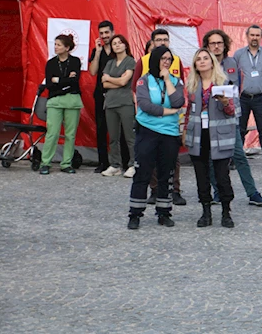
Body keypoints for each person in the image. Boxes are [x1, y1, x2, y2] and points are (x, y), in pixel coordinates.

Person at [202, 30, 262, 207]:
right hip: (210, 119)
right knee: (212, 157)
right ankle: (217, 190)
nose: (216, 46)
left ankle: (252, 192)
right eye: (212, 43)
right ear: (207, 46)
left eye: (219, 43)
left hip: (230, 117)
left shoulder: (233, 63)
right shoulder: (203, 64)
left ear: (225, 45)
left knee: (239, 155)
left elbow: (237, 88)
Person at [127, 46, 185, 229]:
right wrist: (168, 112)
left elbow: (178, 102)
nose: (166, 62)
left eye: (169, 59)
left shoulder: (176, 81)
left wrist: (167, 80)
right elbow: (144, 105)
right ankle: (135, 214)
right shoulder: (144, 81)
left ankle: (164, 212)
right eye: (163, 58)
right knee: (142, 173)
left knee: (166, 174)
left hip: (169, 134)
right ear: (155, 60)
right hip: (147, 132)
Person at [184, 48, 237, 229]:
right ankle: (205, 211)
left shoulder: (225, 83)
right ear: (195, 64)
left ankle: (226, 211)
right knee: (201, 175)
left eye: (206, 58)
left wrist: (225, 102)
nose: (202, 61)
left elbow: (233, 112)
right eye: (198, 59)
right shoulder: (192, 85)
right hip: (198, 135)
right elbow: (188, 113)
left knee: (222, 176)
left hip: (219, 135)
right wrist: (184, 132)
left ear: (212, 62)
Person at [233, 24, 262, 171]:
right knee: (240, 129)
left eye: (257, 35)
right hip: (243, 98)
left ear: (261, 37)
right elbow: (233, 74)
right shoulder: (238, 54)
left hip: (260, 98)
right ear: (247, 36)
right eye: (252, 35)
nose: (254, 38)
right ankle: (236, 160)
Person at [39, 34, 84, 175]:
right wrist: (65, 81)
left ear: (67, 47)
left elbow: (74, 81)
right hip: (54, 101)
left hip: (72, 100)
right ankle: (45, 162)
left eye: (59, 45)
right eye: (55, 44)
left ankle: (66, 163)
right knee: (52, 133)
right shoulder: (51, 63)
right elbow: (49, 84)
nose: (56, 47)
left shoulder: (75, 61)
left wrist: (58, 80)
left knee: (70, 134)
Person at [100, 35, 137, 178]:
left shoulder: (130, 61)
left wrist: (110, 78)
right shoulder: (110, 63)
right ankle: (115, 165)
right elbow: (104, 84)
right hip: (110, 102)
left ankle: (133, 164)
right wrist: (115, 80)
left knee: (129, 135)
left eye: (120, 43)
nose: (117, 45)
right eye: (114, 43)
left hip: (125, 102)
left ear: (125, 45)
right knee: (113, 136)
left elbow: (124, 81)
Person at [88, 20, 115, 173]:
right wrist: (97, 52)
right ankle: (103, 162)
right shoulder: (96, 51)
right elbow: (92, 72)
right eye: (102, 33)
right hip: (100, 94)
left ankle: (122, 161)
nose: (104, 36)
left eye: (107, 32)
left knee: (118, 129)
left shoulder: (118, 48)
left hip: (116, 93)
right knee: (101, 128)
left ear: (112, 32)